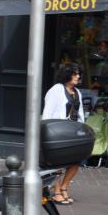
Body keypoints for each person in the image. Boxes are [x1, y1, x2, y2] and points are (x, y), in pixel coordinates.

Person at [42, 63, 85, 204]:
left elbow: (80, 114)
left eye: (78, 74)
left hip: (73, 132)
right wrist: (48, 132)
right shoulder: (56, 90)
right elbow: (47, 114)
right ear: (66, 74)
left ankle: (65, 187)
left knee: (76, 162)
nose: (77, 76)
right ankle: (56, 191)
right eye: (74, 73)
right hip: (59, 132)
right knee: (58, 164)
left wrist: (83, 130)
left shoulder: (77, 92)